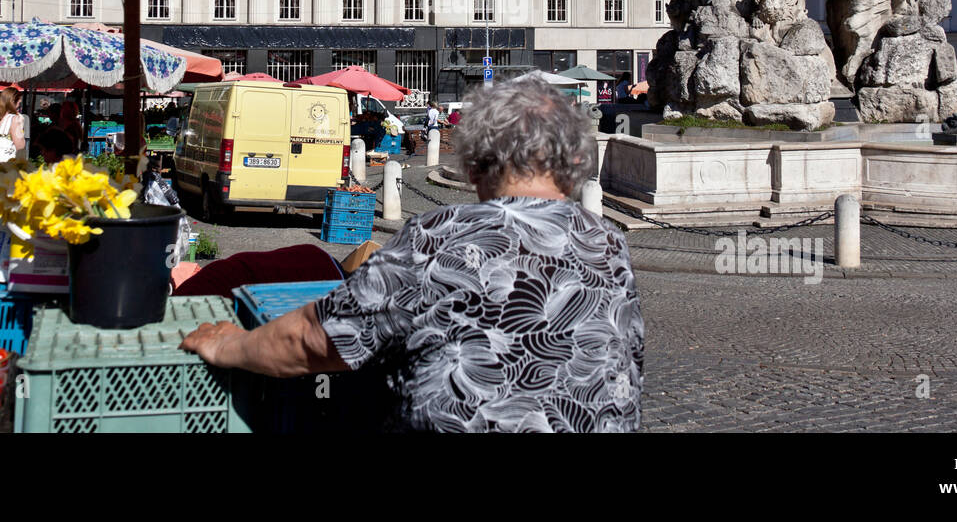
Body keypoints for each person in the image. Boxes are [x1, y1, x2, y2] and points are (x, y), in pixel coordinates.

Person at [181, 75, 645, 432]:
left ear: (473, 164)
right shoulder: (609, 243)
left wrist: (230, 344)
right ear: (575, 161)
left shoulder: (445, 237)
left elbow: (313, 341)